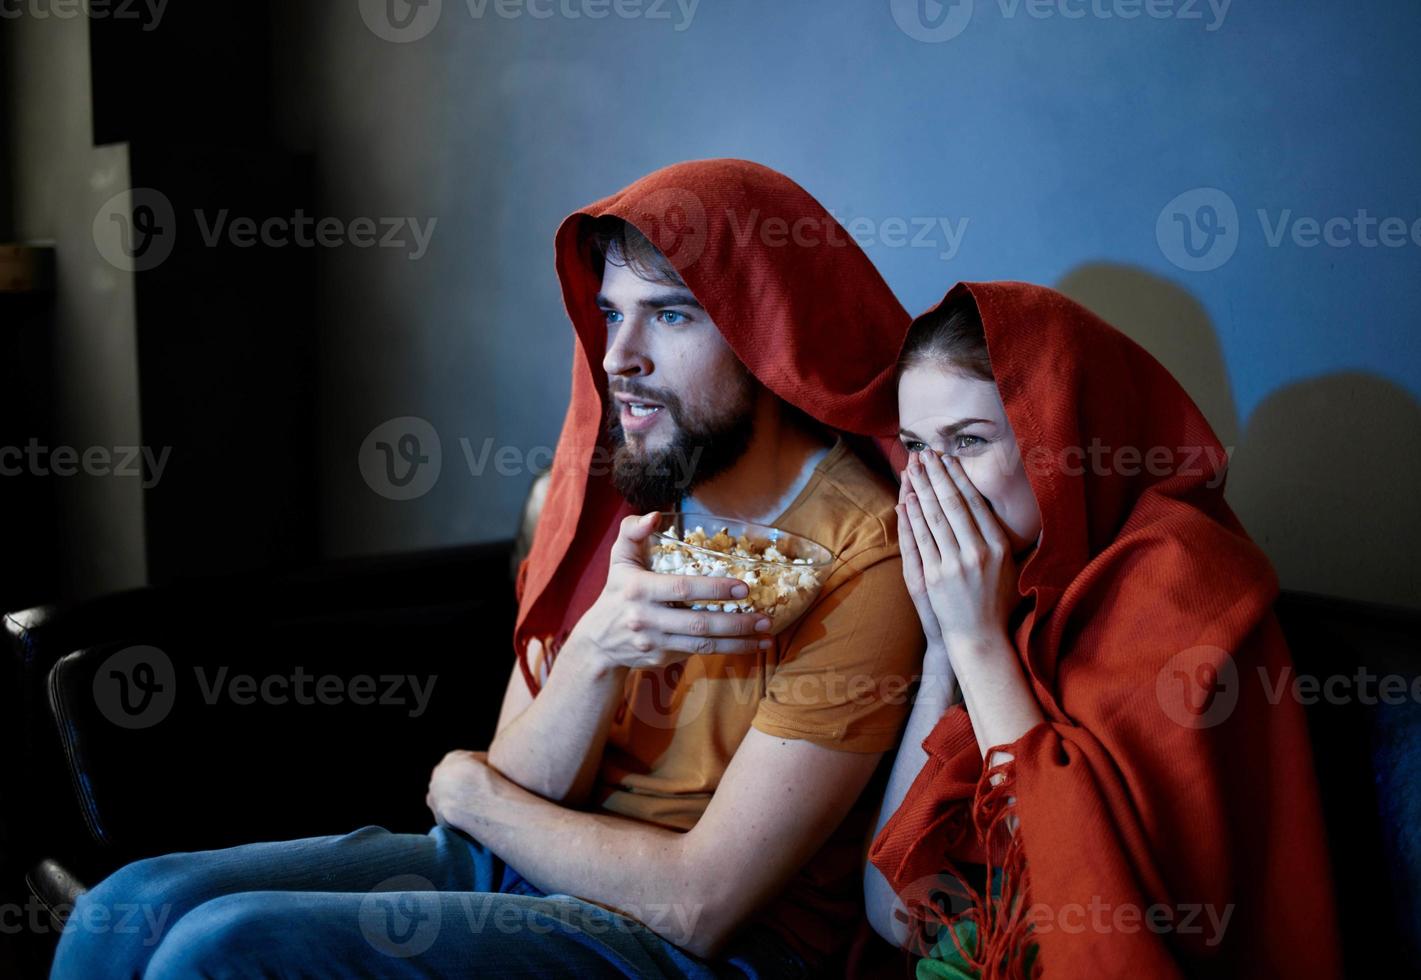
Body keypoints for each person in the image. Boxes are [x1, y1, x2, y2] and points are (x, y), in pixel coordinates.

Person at [50, 159, 926, 979]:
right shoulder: (629, 483)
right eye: (612, 312)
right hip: (527, 856)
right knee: (129, 907)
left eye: (669, 313)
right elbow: (526, 777)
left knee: (220, 949)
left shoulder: (863, 555)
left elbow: (699, 904)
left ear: (766, 333)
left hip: (681, 944)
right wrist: (595, 648)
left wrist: (469, 789)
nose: (620, 356)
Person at [862, 282, 1341, 978]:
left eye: (966, 441)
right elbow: (892, 915)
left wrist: (977, 644)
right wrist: (943, 645)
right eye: (913, 448)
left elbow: (1091, 926)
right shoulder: (1012, 588)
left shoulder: (1179, 581)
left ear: (1065, 436)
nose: (935, 485)